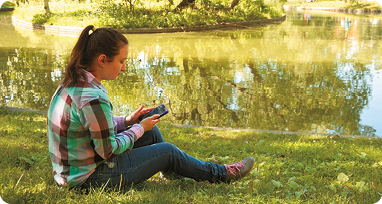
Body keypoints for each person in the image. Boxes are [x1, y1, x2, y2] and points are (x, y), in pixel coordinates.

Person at [47, 25, 255, 190]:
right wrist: (138, 129)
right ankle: (222, 174)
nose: (124, 67)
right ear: (102, 59)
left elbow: (93, 125)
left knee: (152, 131)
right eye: (121, 61)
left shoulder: (74, 82)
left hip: (72, 171)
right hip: (89, 179)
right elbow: (108, 151)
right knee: (167, 151)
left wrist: (128, 121)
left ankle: (175, 170)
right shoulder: (92, 97)